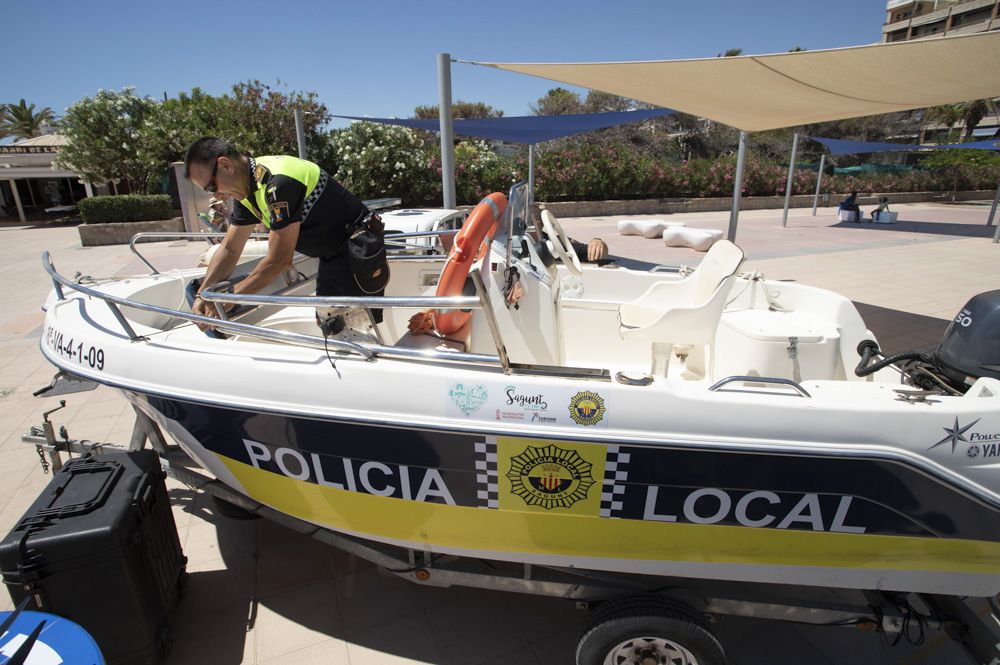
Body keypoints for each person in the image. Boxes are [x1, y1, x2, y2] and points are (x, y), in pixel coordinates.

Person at [183, 137, 384, 330]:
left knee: (358, 328)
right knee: (328, 323)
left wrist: (229, 301)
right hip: (331, 256)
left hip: (357, 250)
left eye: (212, 186)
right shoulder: (247, 191)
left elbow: (279, 260)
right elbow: (230, 249)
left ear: (226, 165)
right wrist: (203, 295)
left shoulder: (279, 183)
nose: (215, 195)